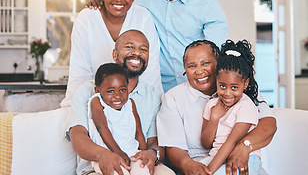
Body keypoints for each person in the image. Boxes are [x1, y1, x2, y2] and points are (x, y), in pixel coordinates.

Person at [85, 0, 228, 93]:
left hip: (197, 86)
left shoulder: (207, 3)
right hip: (160, 89)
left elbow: (217, 53)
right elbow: (124, 7)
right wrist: (104, 3)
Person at [156, 40, 277, 175]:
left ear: (218, 63)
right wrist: (188, 165)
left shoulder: (242, 90)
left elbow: (269, 124)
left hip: (241, 160)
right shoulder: (173, 98)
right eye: (191, 66)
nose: (199, 71)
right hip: (200, 164)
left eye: (206, 63)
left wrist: (244, 146)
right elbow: (174, 148)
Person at [69, 29, 174, 175]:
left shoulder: (153, 96)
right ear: (115, 54)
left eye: (143, 49)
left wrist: (152, 154)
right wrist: (104, 155)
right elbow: (78, 137)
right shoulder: (87, 91)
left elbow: (154, 142)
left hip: (136, 160)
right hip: (96, 168)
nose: (137, 53)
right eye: (130, 47)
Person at [61, 0, 162, 107]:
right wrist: (74, 108)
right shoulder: (87, 17)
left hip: (135, 101)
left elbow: (151, 70)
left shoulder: (143, 17)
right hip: (95, 100)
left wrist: (156, 105)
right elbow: (80, 70)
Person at [200, 40, 262, 175]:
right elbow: (205, 143)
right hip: (216, 156)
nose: (227, 93)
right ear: (216, 80)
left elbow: (231, 142)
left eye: (234, 87)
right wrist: (214, 119)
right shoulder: (212, 105)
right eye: (222, 86)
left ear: (245, 84)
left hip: (244, 159)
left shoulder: (246, 106)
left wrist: (209, 171)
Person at [88, 63, 149, 175]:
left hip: (132, 153)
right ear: (97, 90)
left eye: (122, 90)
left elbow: (138, 130)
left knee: (143, 171)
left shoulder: (130, 103)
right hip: (108, 156)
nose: (118, 96)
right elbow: (102, 127)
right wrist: (118, 152)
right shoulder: (97, 102)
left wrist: (144, 153)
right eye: (111, 91)